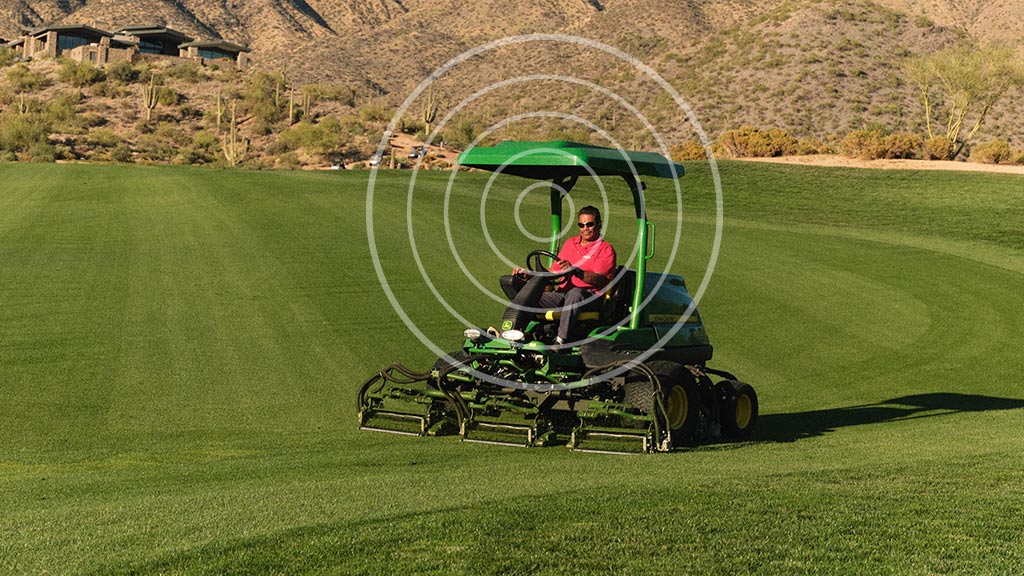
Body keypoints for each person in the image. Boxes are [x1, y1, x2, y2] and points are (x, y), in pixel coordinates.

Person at [508, 206, 617, 346]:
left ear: (599, 225)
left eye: (590, 224)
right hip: (562, 295)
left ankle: (560, 340)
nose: (585, 228)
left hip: (590, 298)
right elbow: (554, 272)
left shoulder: (605, 249)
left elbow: (599, 279)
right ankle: (515, 334)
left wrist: (575, 270)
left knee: (575, 293)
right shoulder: (571, 243)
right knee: (528, 293)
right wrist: (528, 275)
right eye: (581, 225)